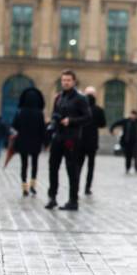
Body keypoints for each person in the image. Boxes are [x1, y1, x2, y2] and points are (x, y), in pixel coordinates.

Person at [45, 70, 91, 211]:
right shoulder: (59, 97)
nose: (65, 82)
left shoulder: (80, 98)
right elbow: (55, 114)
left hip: (72, 138)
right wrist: (53, 121)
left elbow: (88, 117)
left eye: (68, 80)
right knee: (53, 167)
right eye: (63, 80)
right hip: (58, 137)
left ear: (74, 81)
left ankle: (73, 200)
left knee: (71, 169)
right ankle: (52, 198)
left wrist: (70, 121)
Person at [12, 87, 46, 196]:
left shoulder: (20, 112)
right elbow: (42, 129)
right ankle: (33, 185)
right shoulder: (39, 113)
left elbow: (15, 126)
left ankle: (24, 186)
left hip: (23, 141)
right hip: (36, 142)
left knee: (24, 164)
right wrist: (45, 142)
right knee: (34, 163)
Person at [78, 86, 107, 195]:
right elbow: (103, 124)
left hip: (80, 139)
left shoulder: (80, 109)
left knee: (78, 165)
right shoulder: (99, 109)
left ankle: (76, 185)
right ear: (95, 96)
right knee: (90, 166)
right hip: (92, 140)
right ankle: (87, 187)